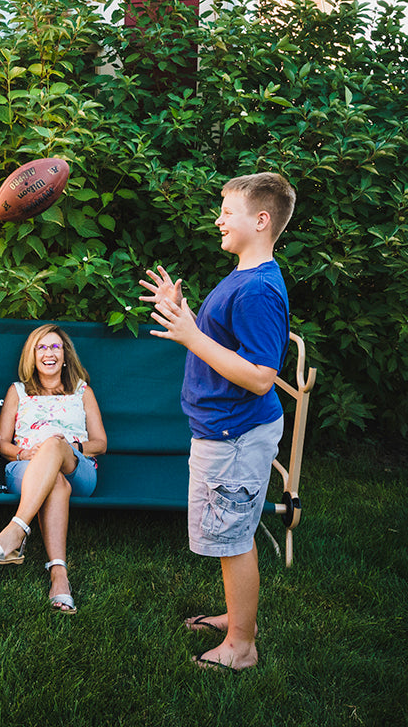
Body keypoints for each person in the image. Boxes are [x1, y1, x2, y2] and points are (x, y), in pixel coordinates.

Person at [138, 171, 295, 673]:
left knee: (233, 538)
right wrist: (182, 312)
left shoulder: (258, 290)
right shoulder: (244, 278)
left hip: (236, 432)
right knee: (231, 533)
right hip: (224, 430)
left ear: (262, 220)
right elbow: (227, 345)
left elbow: (260, 377)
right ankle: (236, 616)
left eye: (228, 212)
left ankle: (242, 646)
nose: (218, 219)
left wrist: (189, 335)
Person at [0, 324, 107, 614]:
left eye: (55, 347)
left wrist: (66, 448)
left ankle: (15, 531)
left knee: (55, 444)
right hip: (26, 470)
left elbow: (101, 443)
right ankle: (59, 576)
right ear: (32, 356)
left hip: (78, 469)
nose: (49, 353)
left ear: (65, 355)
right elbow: (2, 443)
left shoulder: (82, 391)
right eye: (42, 347)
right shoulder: (17, 392)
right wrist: (24, 452)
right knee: (55, 480)